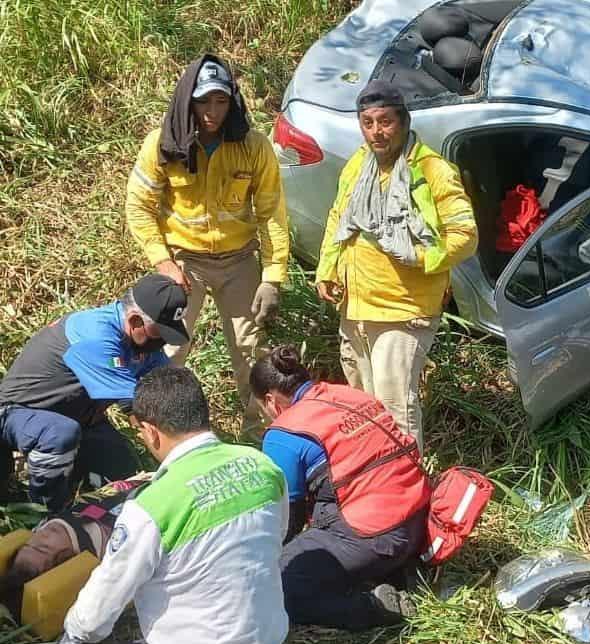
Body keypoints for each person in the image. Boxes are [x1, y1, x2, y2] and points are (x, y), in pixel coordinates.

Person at [59, 367, 289, 644]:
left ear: (151, 431)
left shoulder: (151, 507)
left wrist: (71, 636)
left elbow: (104, 599)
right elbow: (278, 534)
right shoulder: (263, 466)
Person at [125, 53, 289, 438]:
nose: (212, 111)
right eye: (203, 101)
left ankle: (259, 439)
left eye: (220, 101)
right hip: (184, 264)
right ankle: (165, 438)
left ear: (232, 101)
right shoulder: (163, 145)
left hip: (239, 261)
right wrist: (163, 262)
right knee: (166, 352)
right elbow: (139, 205)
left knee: (251, 354)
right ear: (187, 101)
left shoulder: (253, 146)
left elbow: (272, 213)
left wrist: (273, 275)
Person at [315, 80, 477, 448]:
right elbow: (339, 216)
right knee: (364, 407)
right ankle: (379, 482)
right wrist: (326, 269)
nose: (376, 132)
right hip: (356, 307)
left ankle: (408, 495)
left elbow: (465, 234)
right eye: (368, 122)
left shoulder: (432, 169)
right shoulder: (360, 163)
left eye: (385, 121)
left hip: (402, 311)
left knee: (395, 408)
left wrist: (421, 257)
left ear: (403, 122)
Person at [251, 344, 428, 630]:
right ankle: (399, 569)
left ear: (271, 401)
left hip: (374, 534)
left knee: (276, 586)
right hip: (420, 517)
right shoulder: (349, 394)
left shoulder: (284, 432)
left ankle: (374, 608)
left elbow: (288, 518)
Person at [0, 274, 188, 511]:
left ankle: (74, 479)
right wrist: (179, 463)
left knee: (126, 477)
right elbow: (135, 409)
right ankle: (44, 511)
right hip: (19, 414)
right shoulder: (96, 337)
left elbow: (166, 391)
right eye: (159, 333)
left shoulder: (142, 341)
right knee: (59, 434)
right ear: (135, 321)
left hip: (82, 418)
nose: (161, 343)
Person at [0, 475, 148, 619]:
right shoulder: (122, 546)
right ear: (66, 561)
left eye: (30, 543)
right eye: (43, 548)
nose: (41, 535)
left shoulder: (65, 521)